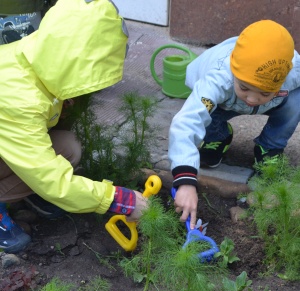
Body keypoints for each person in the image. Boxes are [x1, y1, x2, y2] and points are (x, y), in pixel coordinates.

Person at [0, 0, 147, 254]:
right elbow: (54, 182)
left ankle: (27, 191)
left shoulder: (34, 54)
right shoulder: (20, 98)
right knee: (48, 178)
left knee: (68, 148)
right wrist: (120, 200)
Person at [168, 20, 300, 229]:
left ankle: (270, 147)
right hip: (223, 103)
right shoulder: (218, 78)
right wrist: (185, 180)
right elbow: (187, 121)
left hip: (272, 102)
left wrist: (264, 94)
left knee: (296, 101)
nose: (253, 99)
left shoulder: (293, 72)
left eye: (264, 92)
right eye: (245, 87)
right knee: (207, 113)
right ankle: (218, 136)